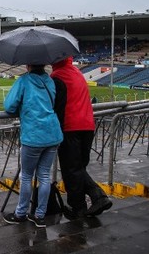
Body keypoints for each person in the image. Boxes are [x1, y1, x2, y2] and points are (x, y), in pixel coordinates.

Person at [3, 64, 63, 228]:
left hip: (34, 135)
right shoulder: (49, 81)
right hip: (52, 133)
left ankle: (21, 213)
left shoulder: (24, 80)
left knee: (27, 176)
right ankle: (39, 216)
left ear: (28, 65)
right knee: (44, 176)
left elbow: (9, 106)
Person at [51, 57, 112, 218]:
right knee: (78, 168)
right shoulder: (77, 72)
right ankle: (93, 199)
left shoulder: (57, 76)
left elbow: (55, 104)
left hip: (71, 127)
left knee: (71, 169)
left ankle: (81, 206)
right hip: (87, 125)